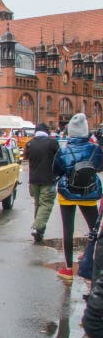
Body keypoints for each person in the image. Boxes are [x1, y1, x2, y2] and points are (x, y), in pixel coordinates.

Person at [52, 113, 103, 280]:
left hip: (67, 194)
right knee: (94, 229)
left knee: (68, 230)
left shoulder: (64, 150)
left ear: (71, 132)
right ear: (86, 131)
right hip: (89, 193)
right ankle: (90, 260)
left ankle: (67, 270)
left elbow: (56, 171)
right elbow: (99, 167)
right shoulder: (94, 149)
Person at [24, 122, 59, 243]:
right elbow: (59, 158)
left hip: (33, 180)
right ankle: (37, 227)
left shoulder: (30, 144)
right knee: (46, 204)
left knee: (38, 205)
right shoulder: (52, 143)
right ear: (46, 132)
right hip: (48, 180)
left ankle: (39, 232)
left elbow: (25, 157)